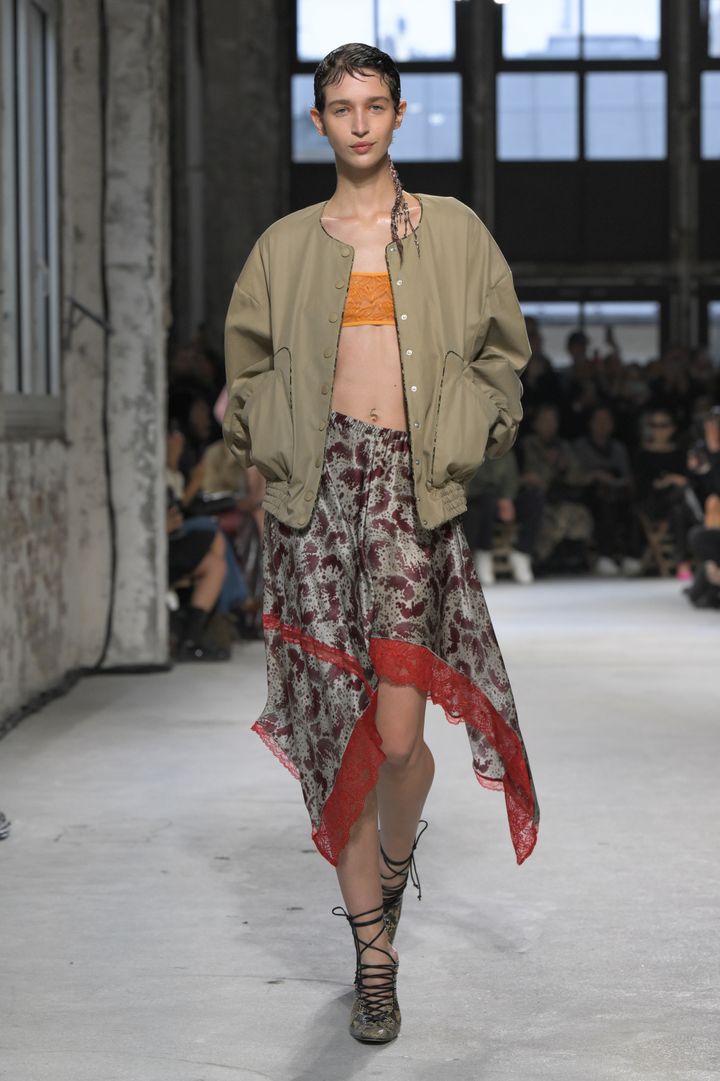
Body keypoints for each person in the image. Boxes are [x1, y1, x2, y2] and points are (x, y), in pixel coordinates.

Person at [222, 43, 539, 1045]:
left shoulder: (454, 231)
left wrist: (471, 431)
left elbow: (503, 356)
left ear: (400, 115)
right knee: (340, 736)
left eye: (374, 106)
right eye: (340, 107)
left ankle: (394, 871)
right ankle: (373, 957)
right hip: (315, 504)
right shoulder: (283, 248)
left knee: (400, 739)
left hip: (408, 494)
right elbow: (246, 375)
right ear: (318, 121)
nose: (358, 123)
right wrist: (270, 443)